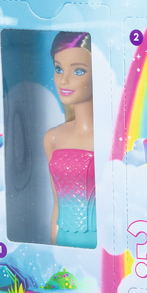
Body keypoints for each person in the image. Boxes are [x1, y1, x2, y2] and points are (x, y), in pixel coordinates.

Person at [43, 31, 96, 248]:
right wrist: (54, 248)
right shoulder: (53, 138)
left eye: (78, 71)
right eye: (58, 69)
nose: (63, 80)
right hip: (63, 241)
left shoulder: (108, 139)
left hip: (99, 244)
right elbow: (57, 204)